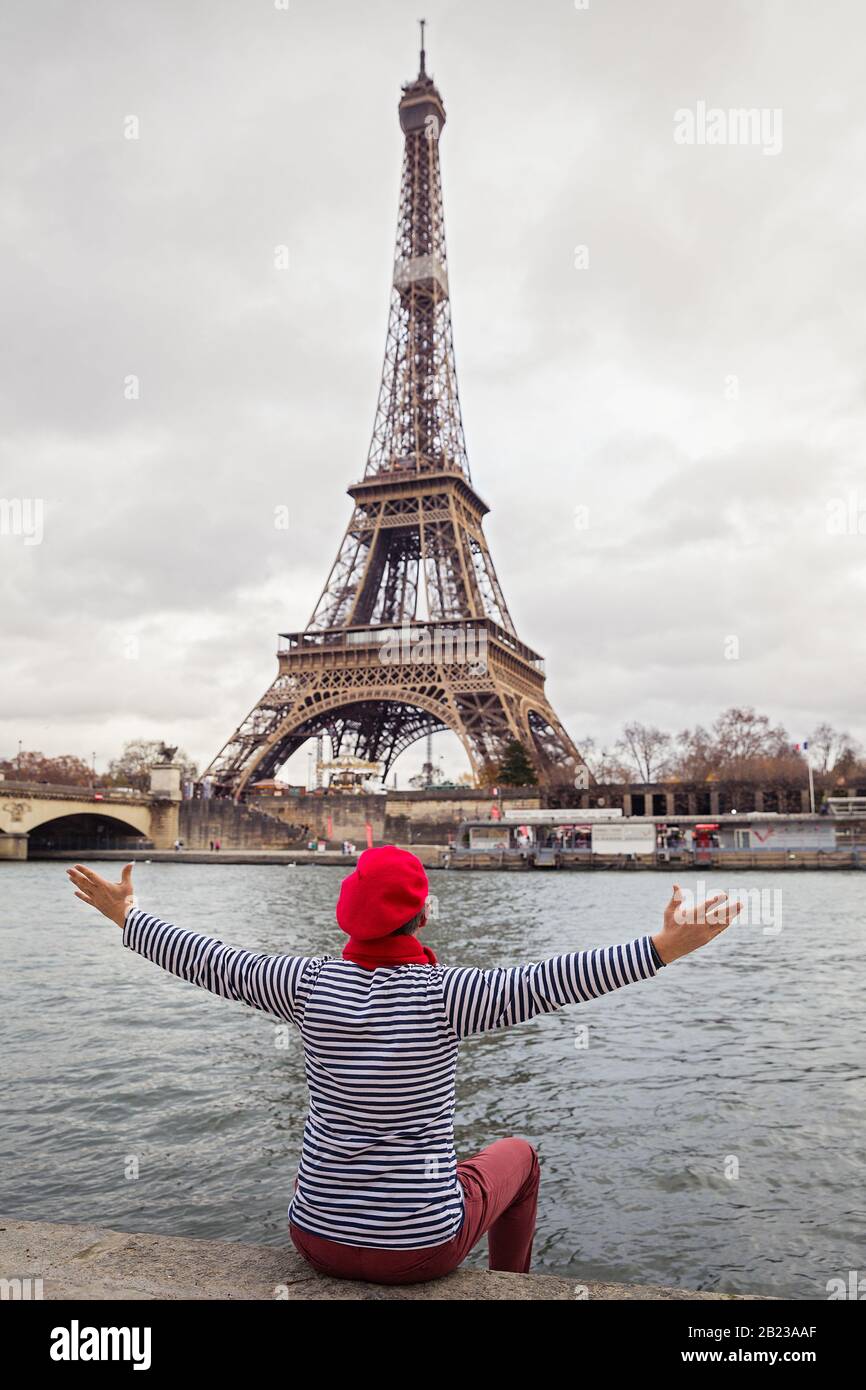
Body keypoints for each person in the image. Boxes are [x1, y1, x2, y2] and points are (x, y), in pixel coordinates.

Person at [66, 845, 740, 1286]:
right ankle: (512, 1288)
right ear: (421, 915)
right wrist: (663, 947)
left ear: (345, 914)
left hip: (315, 1237)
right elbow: (554, 980)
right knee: (522, 1156)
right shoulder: (450, 995)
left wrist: (128, 916)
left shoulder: (305, 985)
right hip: (421, 1249)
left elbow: (212, 960)